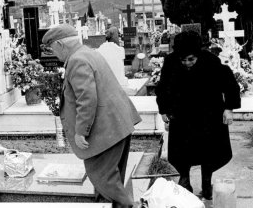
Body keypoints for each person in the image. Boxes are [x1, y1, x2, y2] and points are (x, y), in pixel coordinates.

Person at [42, 24, 141, 208]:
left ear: (60, 45)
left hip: (107, 129)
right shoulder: (87, 52)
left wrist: (81, 131)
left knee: (103, 177)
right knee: (112, 179)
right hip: (118, 124)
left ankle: (132, 206)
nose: (53, 54)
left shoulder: (77, 60)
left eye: (52, 48)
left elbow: (87, 98)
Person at [155, 31, 241, 200]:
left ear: (198, 55)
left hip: (208, 115)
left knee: (208, 150)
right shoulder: (171, 61)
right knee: (182, 151)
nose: (187, 63)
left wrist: (229, 108)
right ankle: (185, 181)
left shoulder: (211, 61)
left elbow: (230, 84)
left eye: (191, 59)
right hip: (181, 115)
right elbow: (162, 87)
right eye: (183, 60)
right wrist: (164, 110)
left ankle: (206, 183)